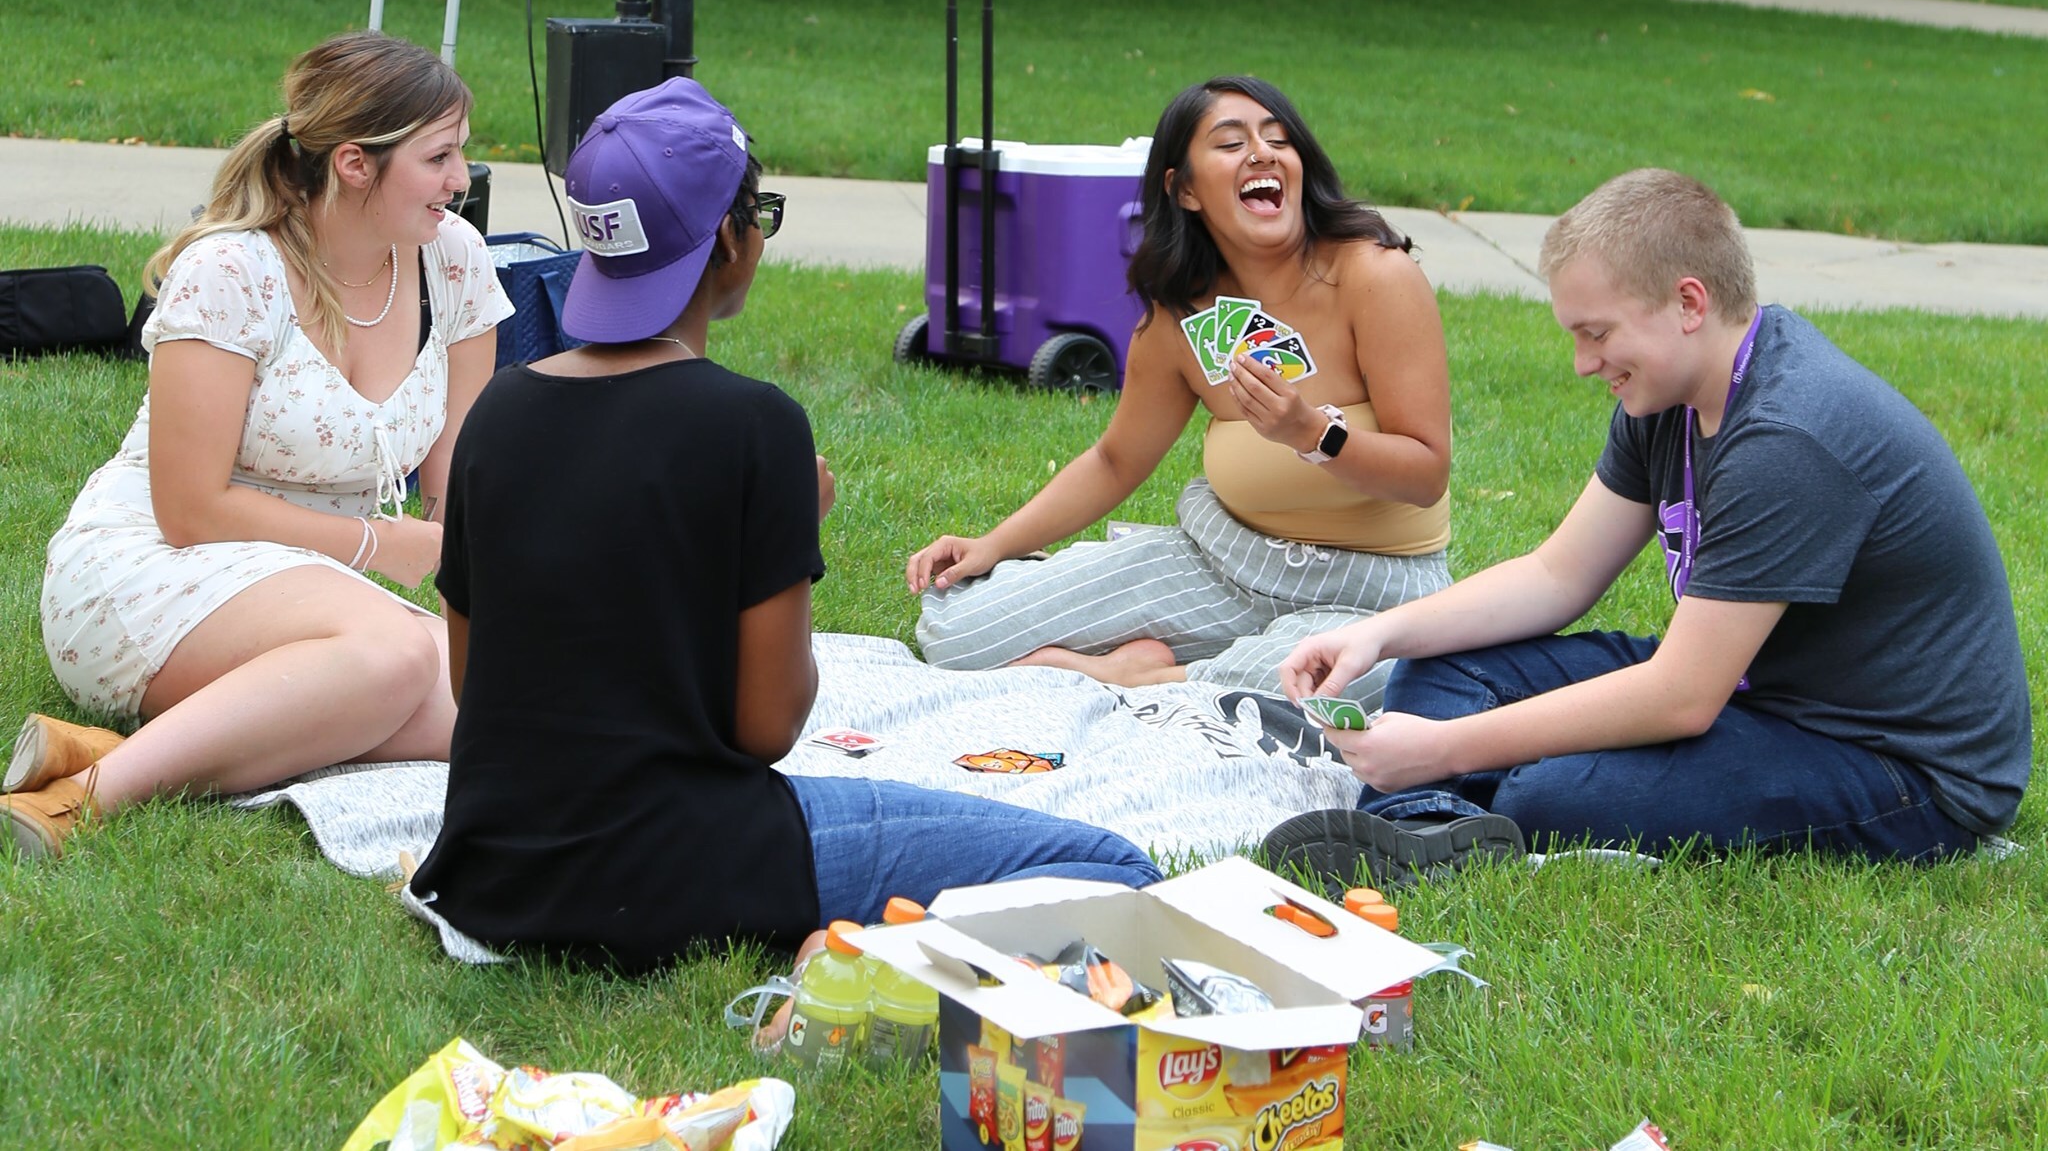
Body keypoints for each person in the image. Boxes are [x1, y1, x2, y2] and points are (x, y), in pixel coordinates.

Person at [408, 79, 1159, 973]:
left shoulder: (499, 412)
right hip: (683, 864)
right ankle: (856, 961)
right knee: (1113, 869)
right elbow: (768, 725)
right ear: (731, 237)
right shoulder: (752, 426)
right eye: (757, 211)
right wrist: (787, 534)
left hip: (494, 867)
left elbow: (472, 682)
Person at [1263, 169, 2031, 890]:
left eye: (1595, 333)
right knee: (1442, 668)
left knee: (1549, 789)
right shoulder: (1668, 396)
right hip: (1752, 689)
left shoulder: (1791, 436)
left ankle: (1433, 805)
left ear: (1688, 302)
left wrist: (1444, 746)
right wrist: (1380, 634)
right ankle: (1427, 822)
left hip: (1896, 764)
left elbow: (1681, 697)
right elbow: (1556, 576)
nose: (1581, 362)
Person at [6, 31, 510, 858]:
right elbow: (190, 508)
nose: (461, 180)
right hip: (157, 568)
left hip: (328, 587)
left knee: (512, 713)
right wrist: (384, 543)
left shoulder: (453, 262)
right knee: (389, 657)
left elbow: (459, 491)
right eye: (440, 156)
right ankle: (81, 800)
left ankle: (113, 749)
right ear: (355, 163)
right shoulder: (233, 270)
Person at [907, 76, 1453, 702]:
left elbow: (1426, 473)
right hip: (1221, 564)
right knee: (957, 628)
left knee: (1348, 684)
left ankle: (1139, 679)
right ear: (1185, 189)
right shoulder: (1181, 318)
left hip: (1371, 589)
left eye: (1279, 139)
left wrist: (1313, 435)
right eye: (1231, 144)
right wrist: (993, 545)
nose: (1262, 153)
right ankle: (1178, 675)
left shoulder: (1376, 277)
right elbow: (1116, 461)